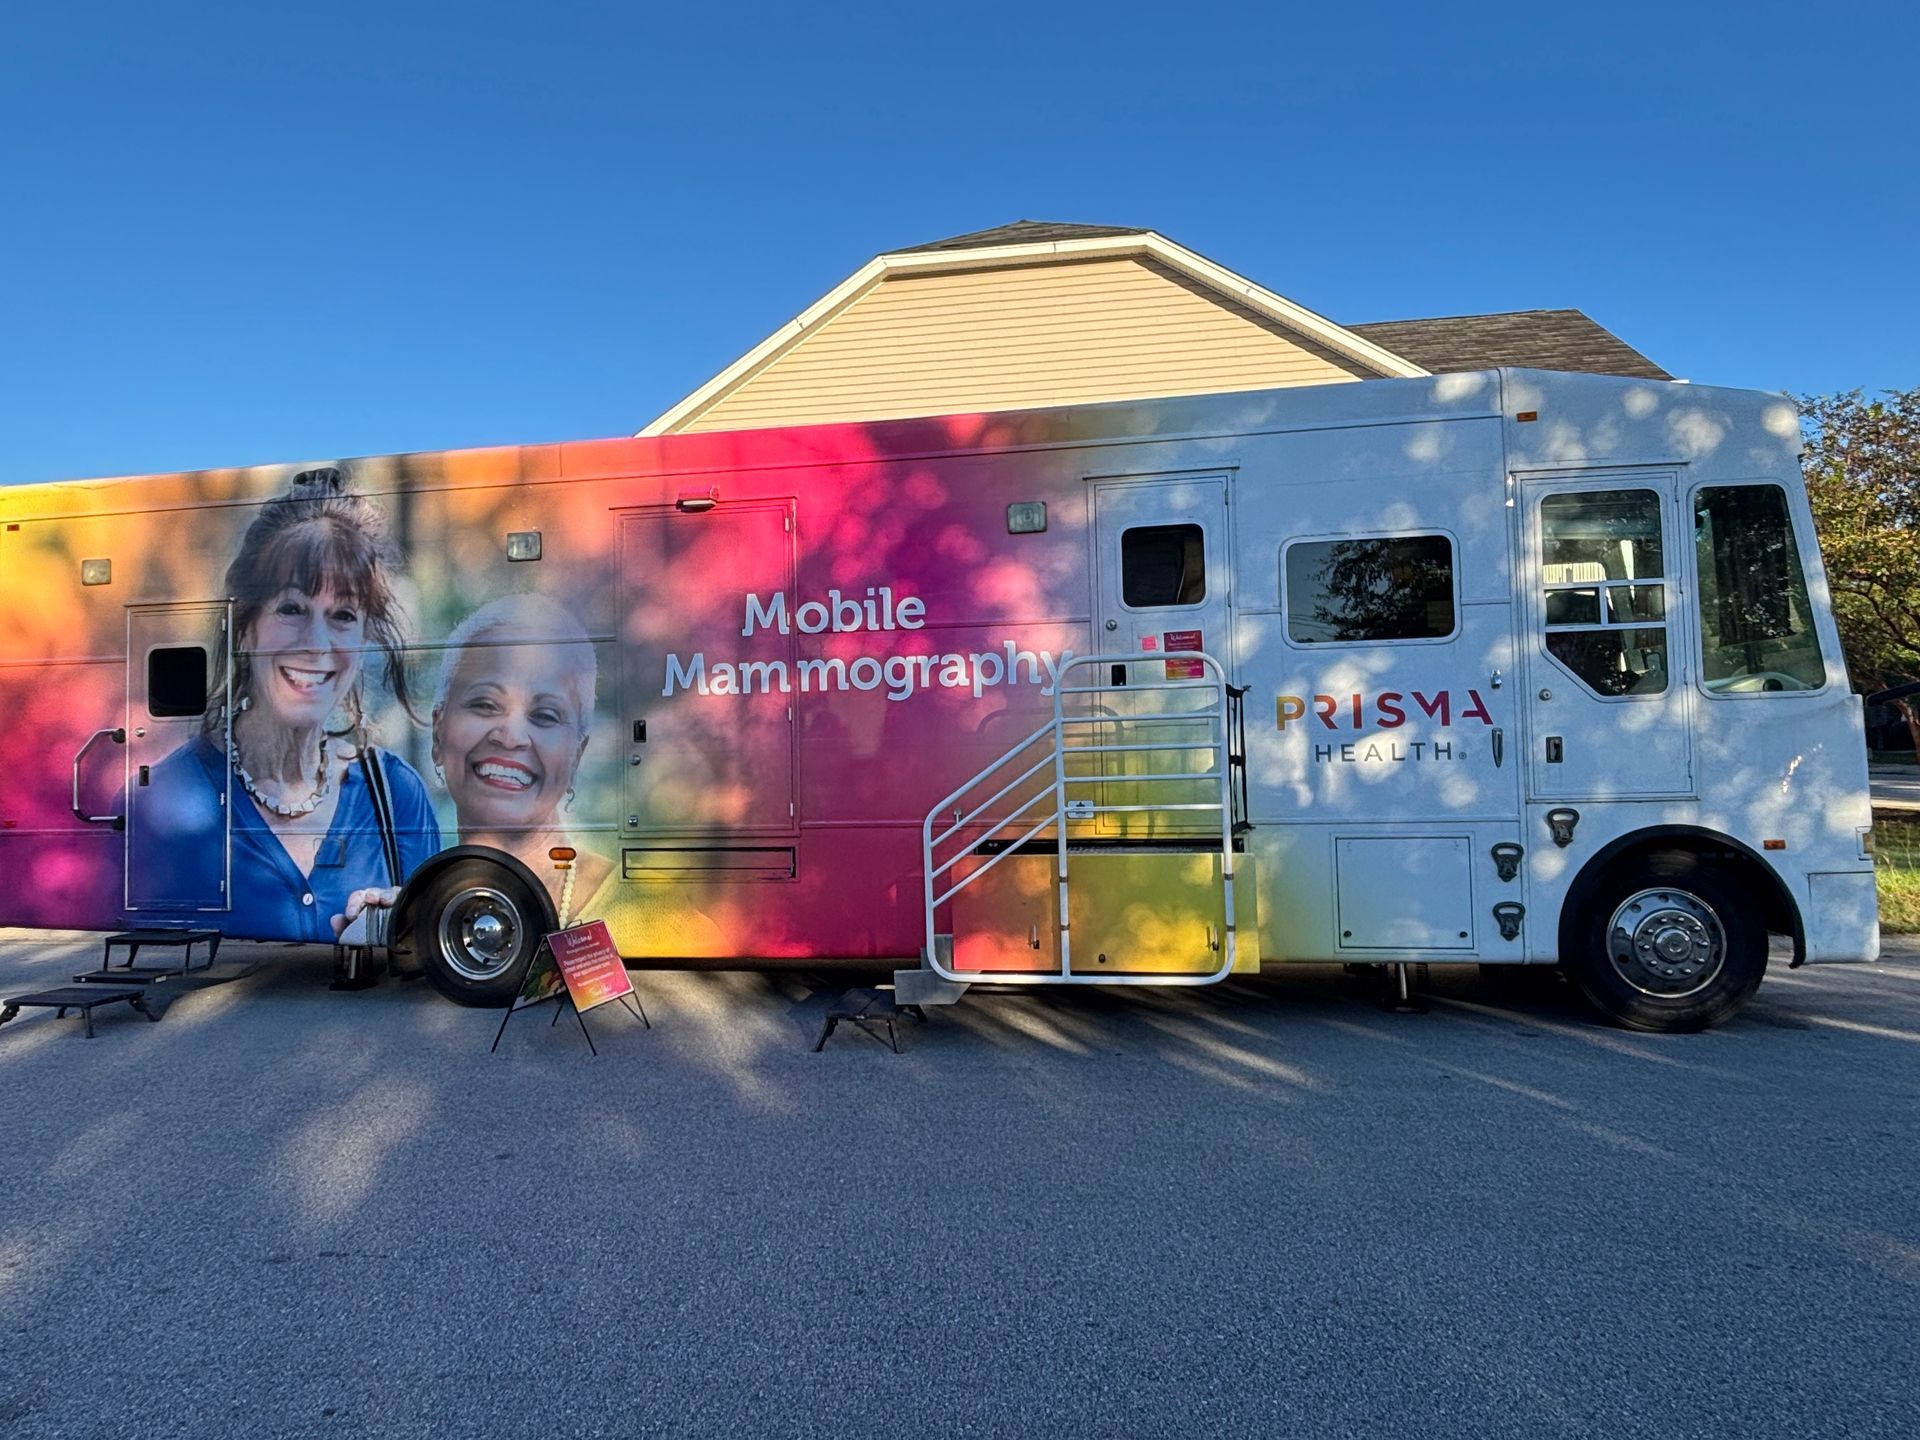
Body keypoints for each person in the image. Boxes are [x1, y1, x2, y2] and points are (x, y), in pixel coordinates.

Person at [135, 471, 441, 941]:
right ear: (246, 626)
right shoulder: (161, 800)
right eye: (292, 608)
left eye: (343, 616)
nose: (317, 644)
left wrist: (406, 922)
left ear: (363, 640)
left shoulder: (398, 798)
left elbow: (429, 950)